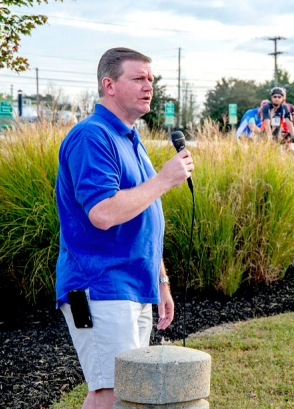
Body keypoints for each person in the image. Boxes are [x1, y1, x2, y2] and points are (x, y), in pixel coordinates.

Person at [55, 47, 195, 409]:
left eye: (150, 79)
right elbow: (102, 213)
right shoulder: (93, 136)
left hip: (133, 286)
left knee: (128, 391)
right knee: (111, 392)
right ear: (109, 85)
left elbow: (144, 219)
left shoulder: (130, 139)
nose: (148, 86)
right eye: (138, 78)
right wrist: (164, 179)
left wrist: (160, 282)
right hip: (98, 287)